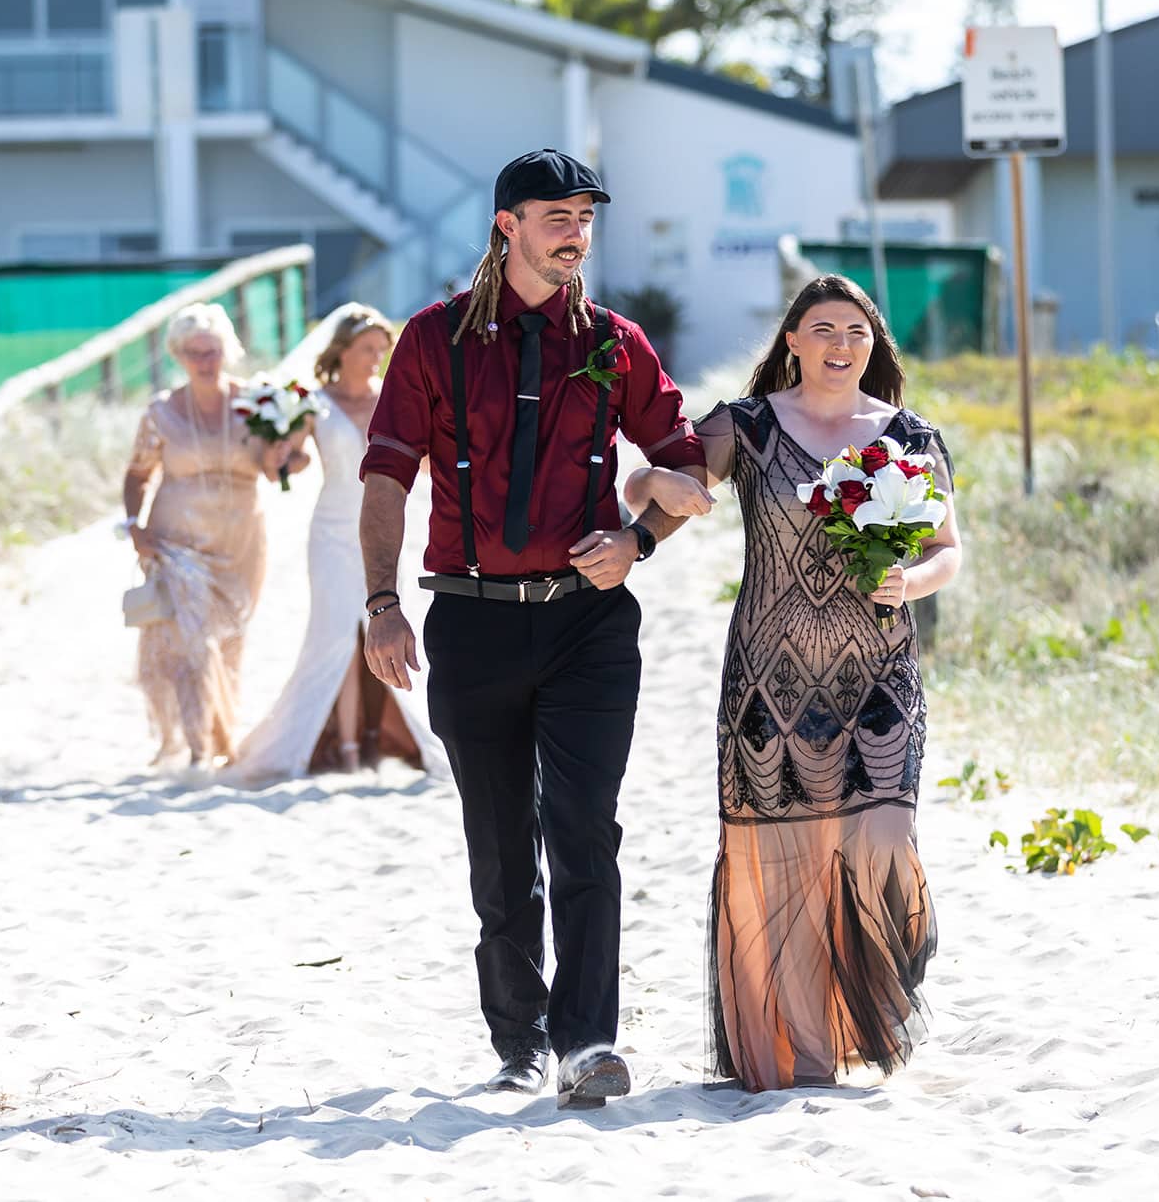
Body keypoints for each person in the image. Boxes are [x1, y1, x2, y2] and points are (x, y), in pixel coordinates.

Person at [359, 149, 708, 1107]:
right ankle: (519, 1036)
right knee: (502, 843)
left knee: (584, 826)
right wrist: (382, 603)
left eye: (586, 216)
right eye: (557, 215)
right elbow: (386, 475)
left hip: (588, 622)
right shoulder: (431, 340)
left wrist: (637, 537)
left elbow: (684, 463)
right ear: (505, 225)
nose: (576, 232)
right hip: (470, 622)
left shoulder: (618, 342)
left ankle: (587, 1042)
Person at [627, 273, 963, 1092]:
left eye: (856, 330)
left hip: (879, 673)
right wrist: (647, 501)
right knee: (789, 864)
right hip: (769, 680)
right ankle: (808, 1050)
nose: (840, 344)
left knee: (882, 844)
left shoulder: (908, 436)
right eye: (822, 329)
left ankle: (874, 1001)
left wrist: (912, 584)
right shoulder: (747, 427)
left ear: (873, 344)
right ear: (792, 341)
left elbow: (949, 546)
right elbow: (658, 483)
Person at [230, 304, 450, 781]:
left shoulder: (393, 400)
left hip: (390, 533)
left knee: (390, 629)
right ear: (342, 350)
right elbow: (292, 464)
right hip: (331, 533)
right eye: (366, 348)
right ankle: (347, 746)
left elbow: (428, 460)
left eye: (380, 349)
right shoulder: (313, 403)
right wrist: (279, 450)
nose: (375, 358)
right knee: (335, 637)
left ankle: (386, 739)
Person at [121, 303, 280, 769]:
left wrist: (291, 451)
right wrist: (135, 525)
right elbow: (137, 474)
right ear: (179, 355)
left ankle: (221, 736)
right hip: (178, 544)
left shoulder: (258, 404)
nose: (204, 361)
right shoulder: (160, 412)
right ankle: (195, 748)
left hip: (242, 544)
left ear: (226, 350)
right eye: (194, 353)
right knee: (192, 642)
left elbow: (275, 469)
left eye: (211, 351)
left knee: (230, 642)